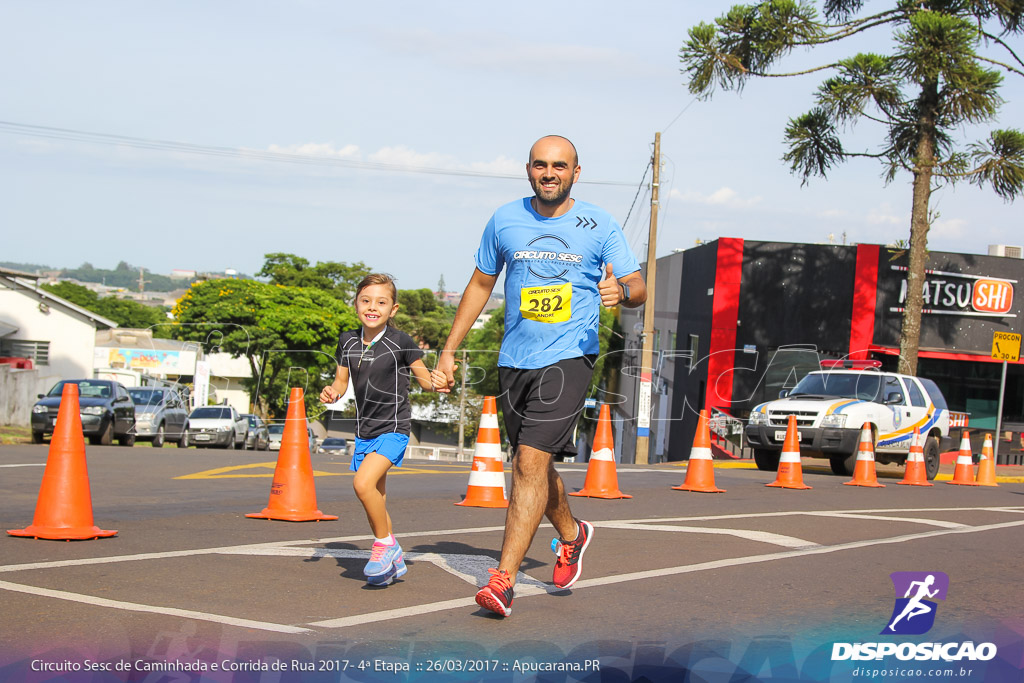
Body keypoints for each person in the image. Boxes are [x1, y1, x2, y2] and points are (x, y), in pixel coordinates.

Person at [434, 135, 647, 617]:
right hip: (516, 360)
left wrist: (622, 292)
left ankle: (502, 579)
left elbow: (637, 285)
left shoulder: (600, 223)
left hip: (570, 358)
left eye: (559, 166)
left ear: (576, 171)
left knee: (528, 463)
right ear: (528, 169)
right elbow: (481, 283)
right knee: (537, 466)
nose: (549, 173)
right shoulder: (505, 219)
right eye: (540, 165)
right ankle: (573, 534)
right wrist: (449, 349)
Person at [320, 273, 436, 586]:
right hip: (364, 429)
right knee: (377, 499)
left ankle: (384, 546)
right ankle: (393, 561)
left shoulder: (401, 342)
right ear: (356, 304)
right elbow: (341, 382)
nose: (373, 307)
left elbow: (425, 380)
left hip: (394, 426)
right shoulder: (347, 340)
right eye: (366, 300)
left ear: (393, 309)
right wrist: (331, 391)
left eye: (381, 302)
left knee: (361, 484)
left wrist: (439, 381)